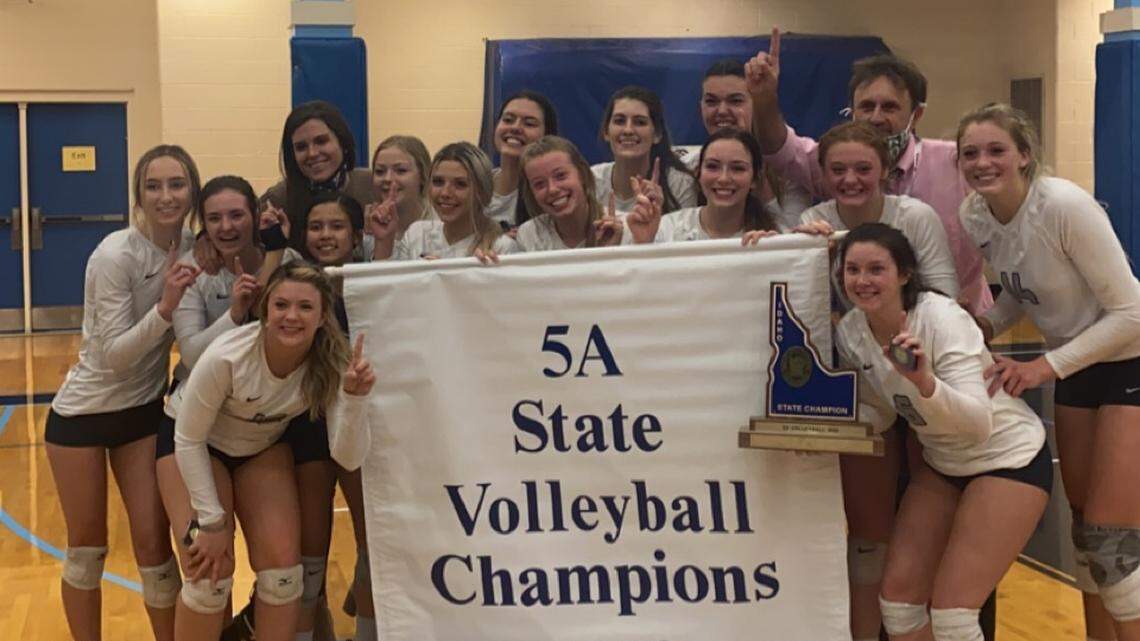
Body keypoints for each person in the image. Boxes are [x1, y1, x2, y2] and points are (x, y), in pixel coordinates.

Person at [958, 103, 1140, 641]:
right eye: (971, 153)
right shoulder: (976, 216)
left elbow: (1131, 312)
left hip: (1130, 356)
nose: (983, 162)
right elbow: (1021, 289)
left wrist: (1042, 367)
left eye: (996, 150)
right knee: (1086, 526)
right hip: (1080, 364)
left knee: (1112, 530)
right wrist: (987, 324)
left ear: (1025, 156)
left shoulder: (1063, 206)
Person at [835, 223, 1050, 641]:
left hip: (1007, 459)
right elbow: (880, 413)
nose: (862, 281)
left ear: (904, 274)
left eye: (876, 269)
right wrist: (814, 429)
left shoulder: (939, 317)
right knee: (897, 606)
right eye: (852, 269)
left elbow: (976, 422)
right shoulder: (852, 332)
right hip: (944, 463)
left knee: (953, 616)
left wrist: (924, 383)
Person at [158, 263, 374, 641]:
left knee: (284, 579)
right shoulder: (228, 356)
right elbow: (188, 439)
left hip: (260, 446)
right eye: (281, 305)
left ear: (323, 316)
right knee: (209, 575)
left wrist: (354, 401)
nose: (292, 316)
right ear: (265, 310)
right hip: (194, 445)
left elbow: (349, 457)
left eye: (305, 307)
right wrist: (210, 523)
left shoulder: (332, 364)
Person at [45, 144, 202, 641]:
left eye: (176, 184)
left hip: (141, 415)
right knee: (88, 549)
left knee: (155, 546)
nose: (166, 195)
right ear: (137, 195)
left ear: (192, 190)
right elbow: (113, 354)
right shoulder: (115, 254)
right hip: (82, 418)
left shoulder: (196, 248)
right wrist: (164, 307)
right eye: (153, 186)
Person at [746, 28, 992, 314]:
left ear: (917, 114)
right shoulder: (829, 167)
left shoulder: (958, 162)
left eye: (889, 107)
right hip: (863, 330)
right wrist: (763, 98)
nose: (876, 117)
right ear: (851, 111)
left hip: (958, 314)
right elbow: (779, 147)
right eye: (866, 106)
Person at [675, 58, 809, 229]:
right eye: (711, 101)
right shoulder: (687, 168)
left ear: (756, 103)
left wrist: (757, 173)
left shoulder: (788, 170)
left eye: (735, 101)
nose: (722, 111)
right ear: (700, 106)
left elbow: (792, 240)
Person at [626, 128, 779, 245]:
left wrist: (771, 256)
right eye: (712, 166)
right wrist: (643, 243)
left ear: (755, 179)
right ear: (698, 173)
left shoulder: (769, 237)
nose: (724, 178)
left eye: (737, 168)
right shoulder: (667, 229)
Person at [371, 142, 518, 260]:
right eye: (438, 182)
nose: (445, 193)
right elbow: (389, 290)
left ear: (482, 192)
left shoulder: (502, 248)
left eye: (460, 184)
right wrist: (384, 241)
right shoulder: (417, 234)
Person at [263, 100, 374, 251]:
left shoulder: (373, 185)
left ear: (342, 142)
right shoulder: (278, 199)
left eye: (321, 141)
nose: (312, 153)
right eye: (301, 147)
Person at [593, 86, 698, 215]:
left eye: (640, 122)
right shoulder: (591, 180)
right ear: (606, 131)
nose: (628, 130)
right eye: (619, 121)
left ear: (657, 134)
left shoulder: (680, 184)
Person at [515, 135, 625, 252]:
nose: (552, 189)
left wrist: (610, 252)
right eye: (539, 184)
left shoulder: (624, 229)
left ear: (582, 174)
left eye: (560, 176)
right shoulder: (529, 235)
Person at [485, 91, 559, 227]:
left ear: (547, 136)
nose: (515, 128)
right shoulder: (473, 186)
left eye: (529, 124)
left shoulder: (553, 192)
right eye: (508, 120)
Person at [370, 135, 436, 236]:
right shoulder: (369, 226)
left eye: (401, 170)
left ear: (423, 176)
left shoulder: (441, 224)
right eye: (380, 171)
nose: (387, 178)